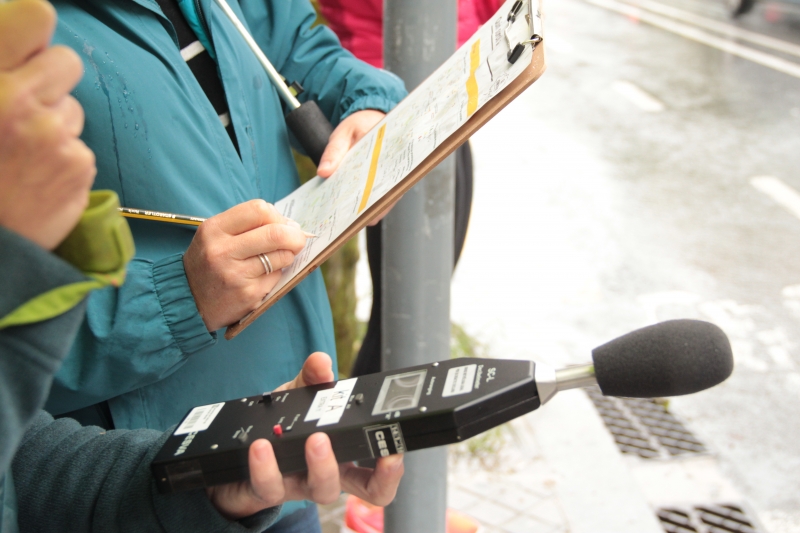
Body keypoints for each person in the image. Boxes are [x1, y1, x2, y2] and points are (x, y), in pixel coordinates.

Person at [0, 3, 403, 531]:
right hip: (148, 452)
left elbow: (298, 43)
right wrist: (176, 298)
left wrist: (367, 104)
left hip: (281, 430)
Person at [316, 0, 503, 377]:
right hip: (386, 110)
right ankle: (362, 426)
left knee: (420, 310)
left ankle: (375, 422)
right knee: (401, 324)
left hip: (449, 97)